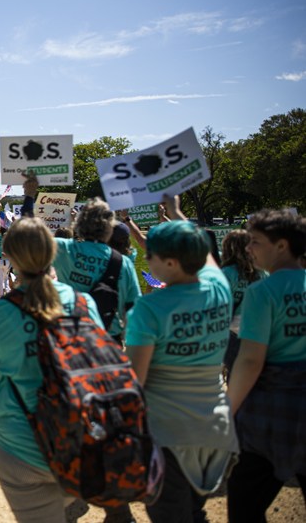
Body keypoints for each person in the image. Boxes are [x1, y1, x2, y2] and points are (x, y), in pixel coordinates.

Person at [0, 216, 105, 522]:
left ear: (10, 259)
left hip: (23, 448)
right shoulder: (83, 303)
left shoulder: (0, 312)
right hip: (80, 441)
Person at [123, 195, 237, 523]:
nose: (146, 259)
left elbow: (136, 382)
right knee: (194, 511)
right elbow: (206, 257)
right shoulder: (219, 288)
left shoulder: (149, 309)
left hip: (167, 433)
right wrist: (175, 213)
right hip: (214, 427)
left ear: (171, 263)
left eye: (151, 256)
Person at [227, 210, 306, 522]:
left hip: (271, 413)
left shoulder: (264, 291)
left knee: (245, 502)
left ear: (282, 246)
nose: (250, 248)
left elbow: (250, 359)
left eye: (256, 242)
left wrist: (228, 408)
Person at [48, 195, 141, 343]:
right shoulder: (124, 262)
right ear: (110, 228)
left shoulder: (63, 248)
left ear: (79, 224)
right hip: (109, 338)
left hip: (69, 335)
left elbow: (28, 238)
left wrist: (29, 196)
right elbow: (133, 310)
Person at [219, 229, 266, 374]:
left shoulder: (226, 273)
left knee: (235, 374)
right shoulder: (263, 272)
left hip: (231, 331)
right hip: (258, 330)